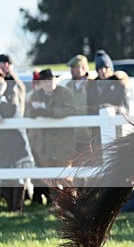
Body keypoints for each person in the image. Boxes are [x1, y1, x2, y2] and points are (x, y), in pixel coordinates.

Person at [25, 69, 77, 203]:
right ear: (40, 83)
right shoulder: (35, 95)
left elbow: (70, 110)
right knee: (50, 177)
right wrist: (35, 113)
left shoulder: (65, 93)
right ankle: (57, 204)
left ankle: (73, 202)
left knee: (66, 176)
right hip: (44, 143)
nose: (48, 83)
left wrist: (49, 112)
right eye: (45, 81)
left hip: (63, 142)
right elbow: (28, 112)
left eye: (51, 80)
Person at [0, 54, 34, 212]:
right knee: (5, 172)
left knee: (18, 172)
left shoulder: (14, 84)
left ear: (6, 65)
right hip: (4, 137)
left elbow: (12, 110)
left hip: (15, 136)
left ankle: (17, 209)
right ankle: (10, 208)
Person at [65, 54, 94, 154]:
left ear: (83, 67)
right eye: (72, 68)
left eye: (74, 67)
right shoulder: (68, 86)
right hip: (74, 137)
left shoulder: (92, 84)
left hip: (90, 136)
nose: (72, 70)